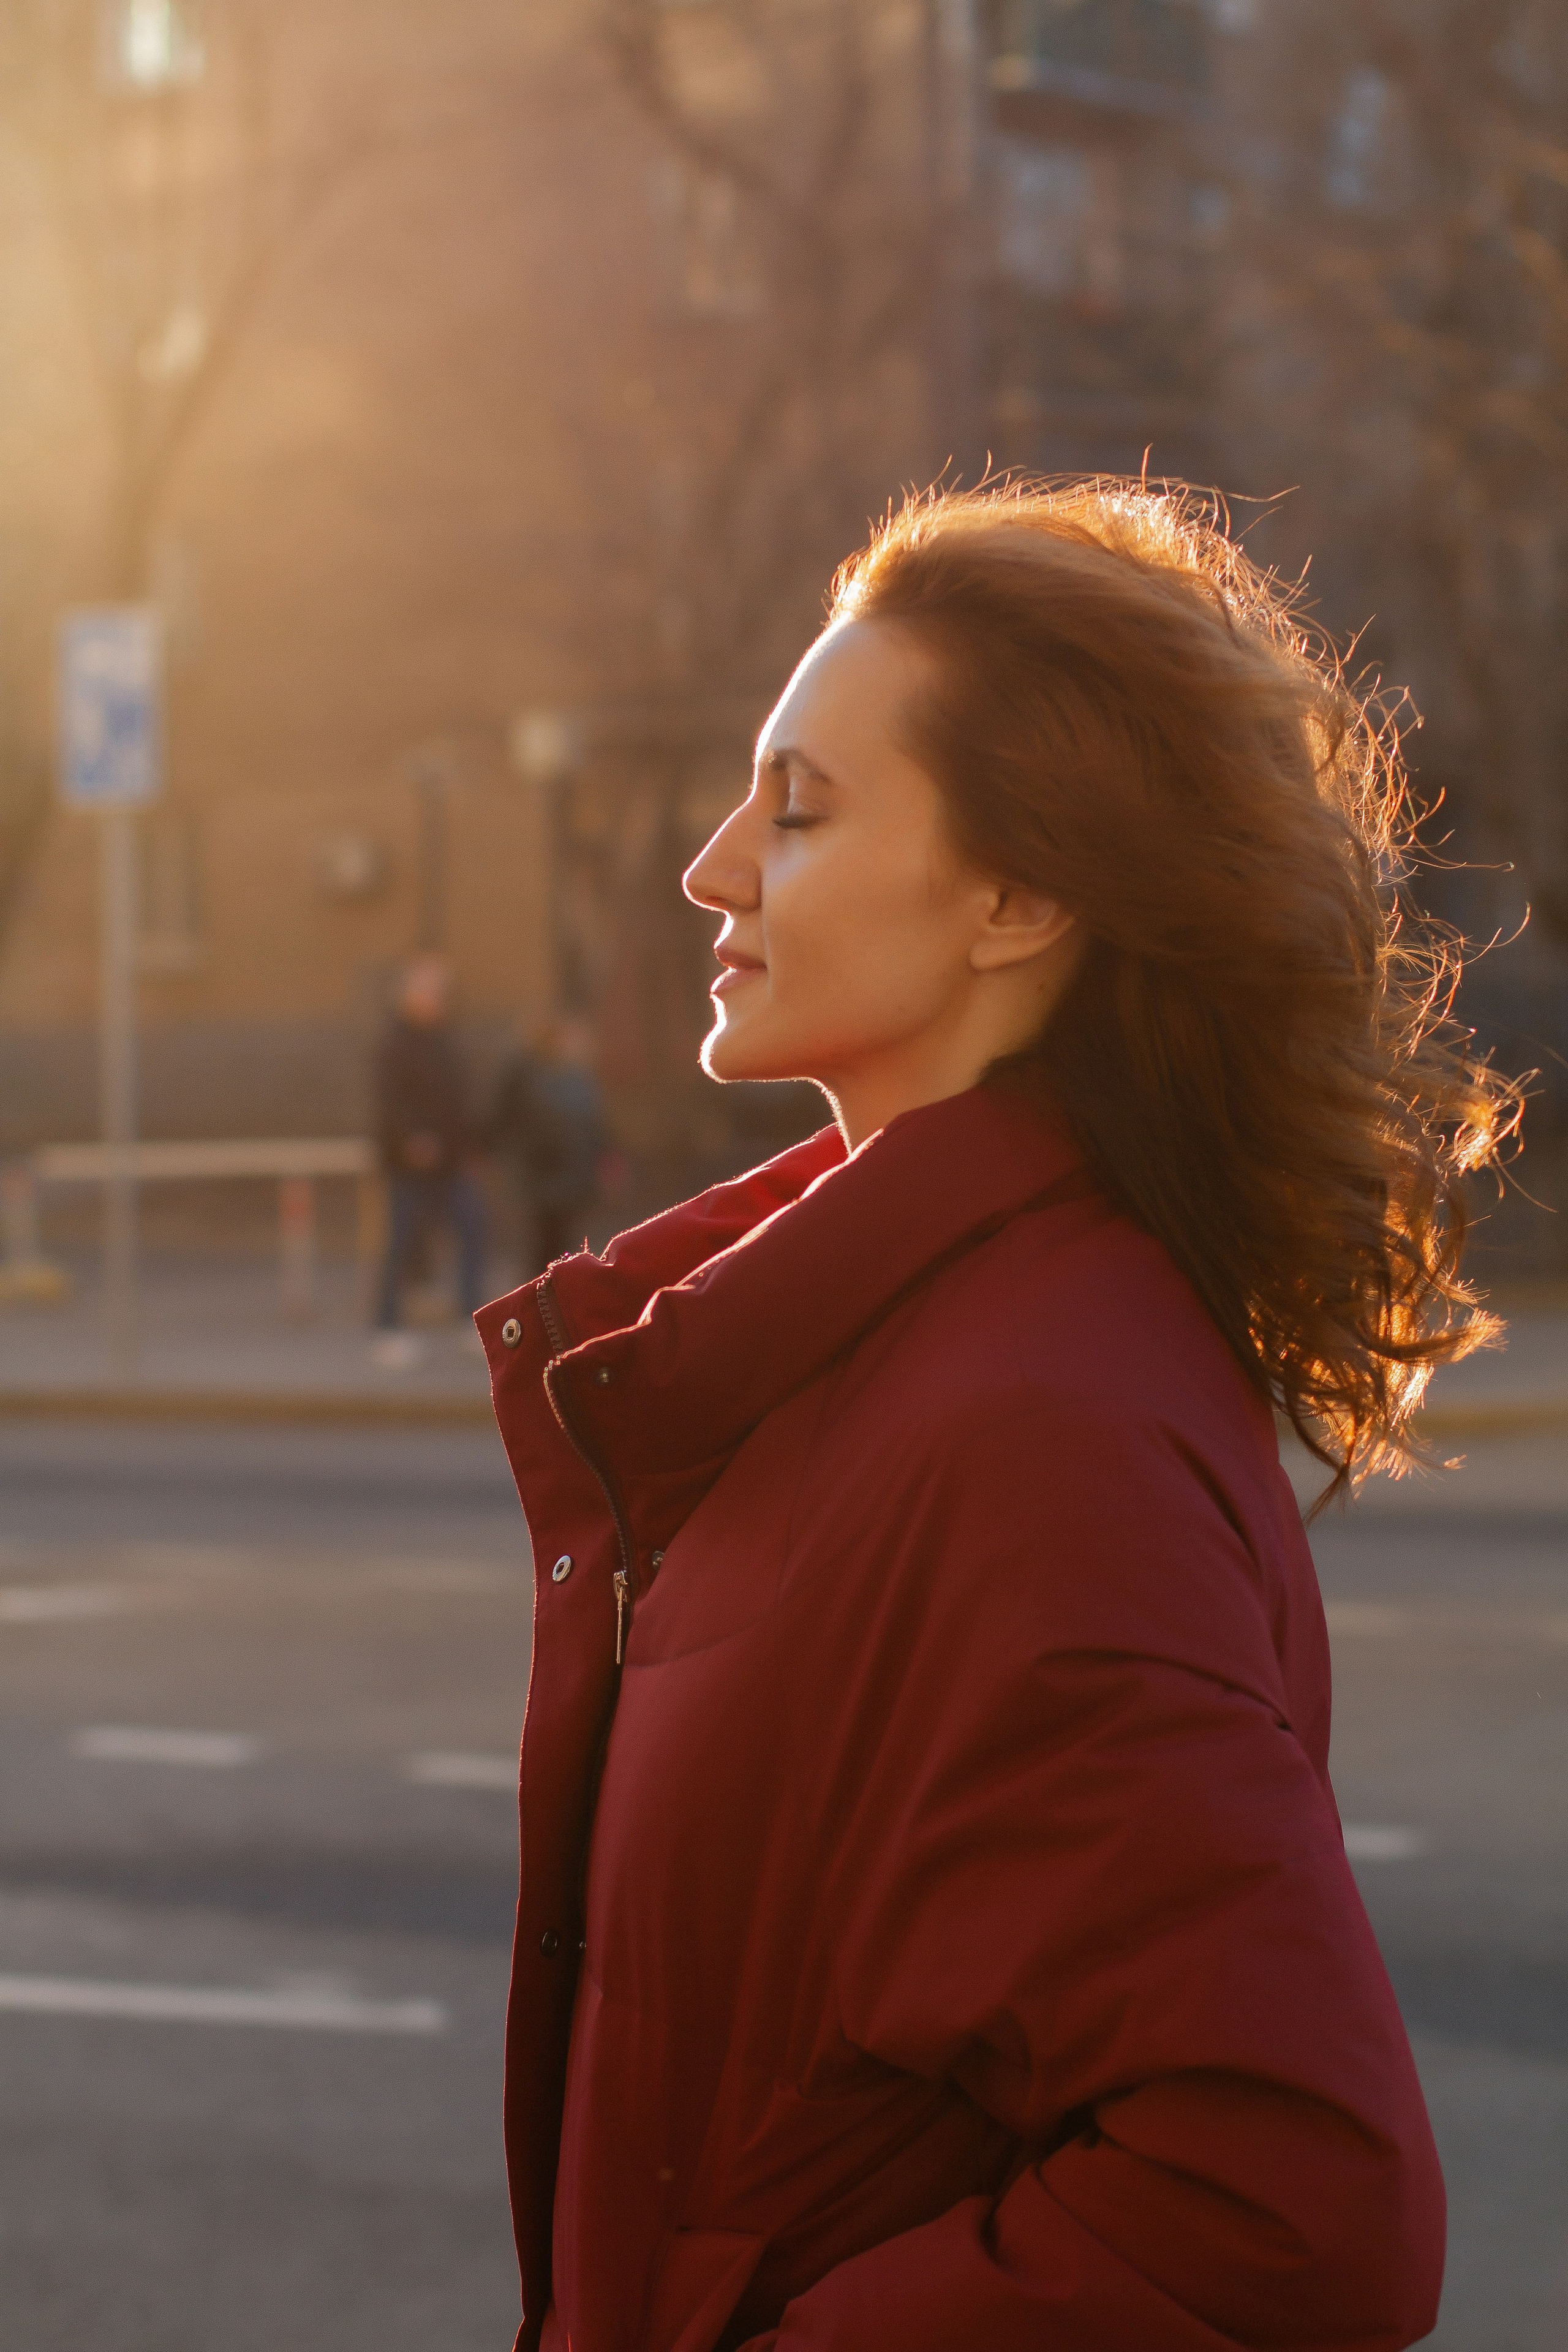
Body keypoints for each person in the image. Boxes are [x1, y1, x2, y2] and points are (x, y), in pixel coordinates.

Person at [475, 483, 1517, 2352]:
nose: (713, 867)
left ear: (1021, 898)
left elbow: (1283, 2205)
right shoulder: (867, 1344)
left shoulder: (1037, 1435)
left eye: (799, 809)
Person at [372, 952, 486, 1362]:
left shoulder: (448, 1042)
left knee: (474, 1231)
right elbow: (390, 1104)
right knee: (403, 1243)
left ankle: (469, 1318)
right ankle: (388, 1327)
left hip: (451, 1162)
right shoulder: (395, 1044)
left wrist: (470, 1145)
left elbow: (459, 1099)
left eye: (439, 991)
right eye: (426, 990)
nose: (435, 999)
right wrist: (410, 1140)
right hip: (410, 1164)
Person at [488, 1014, 609, 1272]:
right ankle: (542, 1291)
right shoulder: (533, 1078)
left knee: (562, 1244)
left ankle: (554, 1289)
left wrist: (604, 1158)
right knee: (544, 1246)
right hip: (545, 1177)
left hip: (572, 1177)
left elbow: (593, 1127)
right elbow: (514, 1122)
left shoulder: (578, 1080)